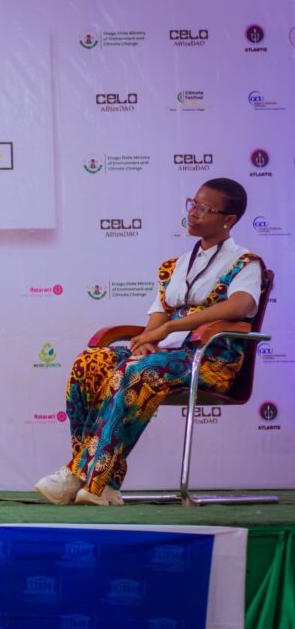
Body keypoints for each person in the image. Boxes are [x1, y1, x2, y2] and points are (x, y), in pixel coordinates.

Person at [35, 178, 266, 506]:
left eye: (204, 209)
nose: (193, 213)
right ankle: (102, 481)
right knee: (91, 362)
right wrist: (146, 339)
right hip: (164, 354)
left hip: (209, 360)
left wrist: (168, 329)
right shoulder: (176, 265)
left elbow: (241, 306)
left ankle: (81, 477)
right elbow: (159, 315)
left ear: (228, 219)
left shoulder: (245, 263)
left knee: (137, 371)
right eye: (192, 204)